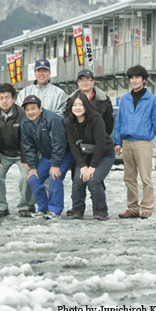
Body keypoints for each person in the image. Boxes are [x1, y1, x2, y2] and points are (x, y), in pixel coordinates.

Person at [114, 65, 156, 219]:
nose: (134, 80)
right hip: (127, 142)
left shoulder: (152, 100)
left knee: (145, 177)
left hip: (143, 142)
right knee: (129, 177)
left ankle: (147, 208)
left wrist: (149, 133)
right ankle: (132, 208)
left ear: (144, 80)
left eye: (137, 77)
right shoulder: (125, 99)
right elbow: (120, 121)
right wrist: (118, 142)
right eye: (132, 77)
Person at [65, 68, 114, 216]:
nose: (77, 108)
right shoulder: (69, 122)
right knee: (79, 179)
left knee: (93, 180)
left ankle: (100, 209)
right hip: (84, 154)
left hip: (103, 153)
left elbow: (101, 143)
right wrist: (83, 165)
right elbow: (73, 146)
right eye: (75, 105)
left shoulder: (96, 119)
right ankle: (78, 208)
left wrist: (91, 167)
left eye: (81, 105)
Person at [20, 95, 73, 219]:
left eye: (33, 108)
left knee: (55, 177)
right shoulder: (25, 122)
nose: (30, 112)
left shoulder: (53, 119)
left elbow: (59, 144)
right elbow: (28, 147)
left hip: (63, 154)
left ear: (40, 108)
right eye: (27, 110)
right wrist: (33, 167)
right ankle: (43, 208)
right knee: (33, 179)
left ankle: (55, 210)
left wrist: (55, 165)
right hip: (46, 155)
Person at [0, 83, 34, 217]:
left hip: (21, 153)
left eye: (7, 97)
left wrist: (25, 160)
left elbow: (25, 139)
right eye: (1, 98)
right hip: (4, 153)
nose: (4, 101)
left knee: (25, 177)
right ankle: (1, 206)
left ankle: (24, 206)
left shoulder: (21, 114)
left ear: (13, 99)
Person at [71, 69, 114, 134]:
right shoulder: (71, 100)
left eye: (87, 79)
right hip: (76, 141)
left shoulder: (103, 100)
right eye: (81, 80)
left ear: (93, 82)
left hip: (98, 140)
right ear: (78, 82)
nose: (84, 82)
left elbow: (109, 124)